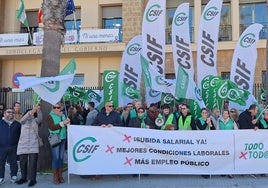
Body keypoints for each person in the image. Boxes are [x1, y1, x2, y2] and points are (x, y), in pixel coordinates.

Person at [16, 104, 42, 187]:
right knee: (23, 163)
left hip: (33, 144)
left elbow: (40, 119)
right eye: (28, 112)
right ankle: (24, 178)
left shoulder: (36, 121)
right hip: (23, 144)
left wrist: (38, 110)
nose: (31, 114)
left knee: (32, 163)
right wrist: (31, 112)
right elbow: (21, 120)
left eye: (32, 113)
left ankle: (32, 179)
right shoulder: (23, 120)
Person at [47, 102, 70, 184]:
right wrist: (63, 123)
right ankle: (55, 176)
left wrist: (68, 123)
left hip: (63, 138)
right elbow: (52, 127)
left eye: (58, 107)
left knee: (61, 158)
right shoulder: (50, 116)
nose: (56, 109)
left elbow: (66, 126)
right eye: (55, 107)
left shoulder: (63, 115)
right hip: (55, 139)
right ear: (52, 108)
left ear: (61, 108)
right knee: (56, 158)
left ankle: (60, 175)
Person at [0, 108, 21, 184]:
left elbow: (20, 135)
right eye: (9, 112)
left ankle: (14, 175)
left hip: (14, 146)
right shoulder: (0, 123)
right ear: (4, 114)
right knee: (1, 162)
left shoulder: (17, 124)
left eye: (12, 112)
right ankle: (1, 177)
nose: (11, 113)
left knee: (14, 162)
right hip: (2, 147)